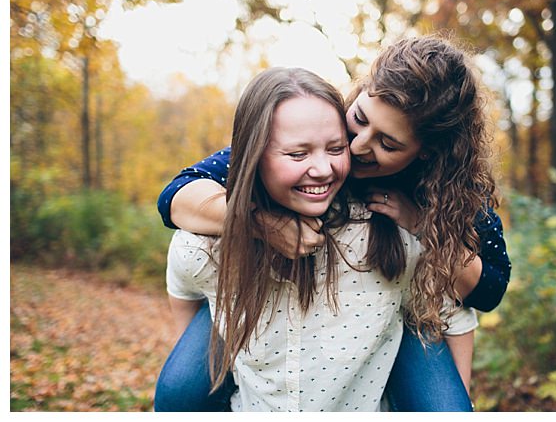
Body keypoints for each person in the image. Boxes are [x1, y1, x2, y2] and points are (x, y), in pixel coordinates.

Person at [155, 34, 512, 411]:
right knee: (178, 393)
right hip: (260, 300)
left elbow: (488, 290)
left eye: (387, 144)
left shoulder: (452, 190)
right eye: (360, 119)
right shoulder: (321, 130)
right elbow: (176, 195)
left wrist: (422, 223)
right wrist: (261, 222)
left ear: (427, 153)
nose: (358, 146)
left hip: (396, 302)